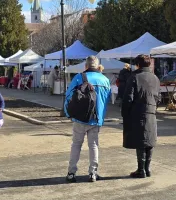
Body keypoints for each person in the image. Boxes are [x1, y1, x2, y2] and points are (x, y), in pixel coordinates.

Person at [64, 55, 111, 183]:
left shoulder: (79, 78)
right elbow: (108, 100)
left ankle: (71, 172)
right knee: (94, 145)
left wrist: (68, 113)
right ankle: (93, 173)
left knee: (76, 144)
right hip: (96, 119)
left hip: (79, 118)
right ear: (97, 66)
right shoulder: (105, 80)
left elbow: (68, 96)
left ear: (86, 66)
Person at [121, 54, 161, 178]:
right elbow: (158, 97)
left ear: (138, 64)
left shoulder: (135, 77)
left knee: (141, 141)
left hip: (138, 111)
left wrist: (125, 113)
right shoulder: (155, 78)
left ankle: (141, 170)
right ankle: (147, 169)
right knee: (149, 140)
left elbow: (128, 97)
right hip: (151, 111)